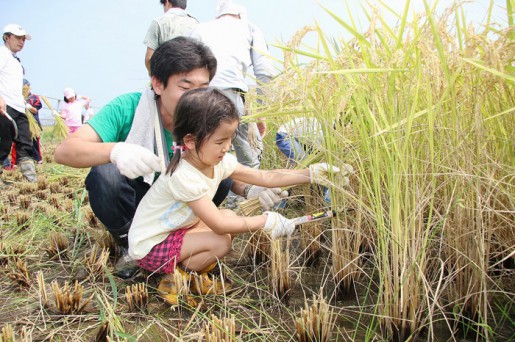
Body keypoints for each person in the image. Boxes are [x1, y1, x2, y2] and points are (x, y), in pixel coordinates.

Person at [54, 37, 286, 279]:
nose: (196, 97)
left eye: (203, 87)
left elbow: (223, 169)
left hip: (182, 203)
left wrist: (250, 190)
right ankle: (128, 245)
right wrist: (116, 151)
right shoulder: (127, 107)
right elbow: (65, 151)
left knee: (216, 168)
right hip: (141, 200)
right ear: (157, 84)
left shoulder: (206, 120)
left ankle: (181, 248)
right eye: (185, 88)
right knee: (106, 174)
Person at [128, 87, 342, 305]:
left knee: (230, 215)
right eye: (220, 142)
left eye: (229, 139)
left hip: (173, 232)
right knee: (221, 240)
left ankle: (191, 271)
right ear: (190, 141)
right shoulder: (184, 175)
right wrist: (266, 221)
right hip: (150, 245)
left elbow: (264, 176)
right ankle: (177, 279)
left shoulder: (215, 162)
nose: (227, 147)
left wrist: (311, 174)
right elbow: (219, 225)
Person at [188, 0, 275, 170]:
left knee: (204, 156)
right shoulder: (249, 27)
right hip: (231, 97)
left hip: (199, 98)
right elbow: (265, 72)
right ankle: (245, 195)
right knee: (251, 155)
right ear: (241, 15)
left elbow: (183, 68)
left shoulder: (198, 30)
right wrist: (260, 113)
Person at [0, 24, 37, 185]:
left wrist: (24, 103)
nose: (22, 41)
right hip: (5, 106)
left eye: (24, 39)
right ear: (7, 37)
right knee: (3, 142)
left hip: (18, 107)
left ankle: (30, 179)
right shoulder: (2, 54)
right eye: (18, 37)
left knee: (25, 142)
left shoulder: (15, 60)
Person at [143, 0, 198, 75]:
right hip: (189, 77)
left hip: (166, 77)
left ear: (167, 2)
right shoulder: (196, 24)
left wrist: (154, 77)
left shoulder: (158, 22)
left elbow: (149, 58)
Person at [23, 79, 43, 164]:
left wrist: (28, 107)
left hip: (33, 124)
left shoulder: (34, 98)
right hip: (23, 124)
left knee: (35, 142)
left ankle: (38, 159)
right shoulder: (18, 98)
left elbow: (35, 110)